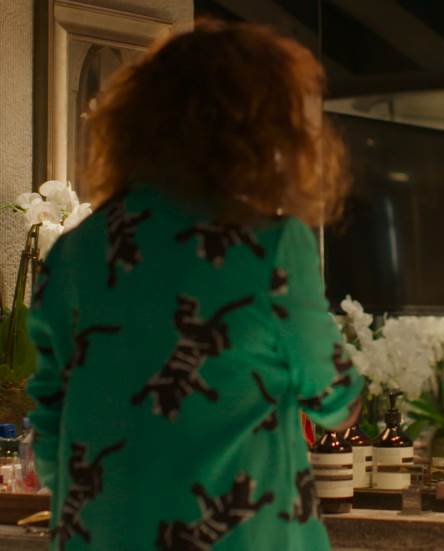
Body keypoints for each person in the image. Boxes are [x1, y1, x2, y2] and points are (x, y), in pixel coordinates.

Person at [26, 20, 361, 550]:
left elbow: (49, 417)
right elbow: (332, 396)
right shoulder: (269, 244)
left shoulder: (76, 252)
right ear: (260, 133)